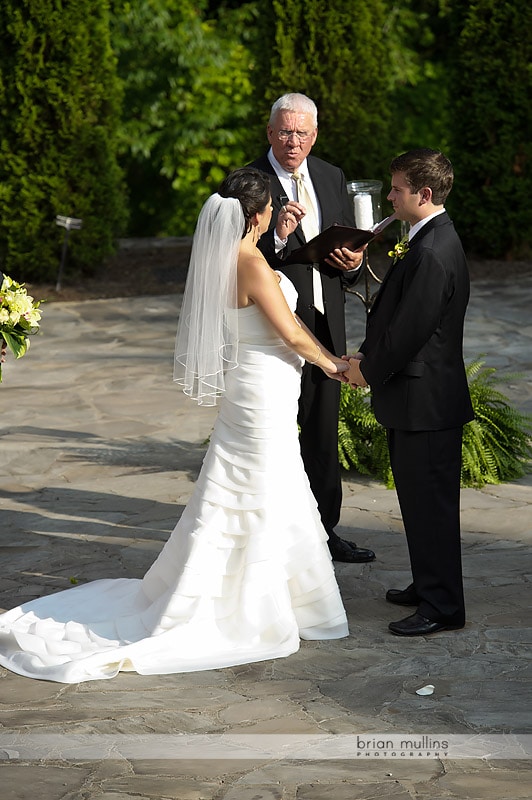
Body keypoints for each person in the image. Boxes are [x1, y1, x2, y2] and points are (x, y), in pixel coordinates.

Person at [0, 167, 350, 683]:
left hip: (247, 387)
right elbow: (293, 335)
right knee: (265, 485)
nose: (276, 211)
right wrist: (336, 364)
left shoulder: (225, 256)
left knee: (249, 486)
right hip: (263, 389)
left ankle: (272, 594)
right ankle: (267, 603)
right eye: (271, 206)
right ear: (256, 215)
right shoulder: (250, 262)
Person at [345, 148, 474, 636]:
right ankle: (427, 584)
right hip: (416, 397)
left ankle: (442, 607)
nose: (389, 195)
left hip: (427, 401)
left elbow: (411, 331)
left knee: (432, 507)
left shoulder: (434, 250)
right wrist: (365, 354)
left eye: (397, 187)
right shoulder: (422, 239)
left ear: (424, 194)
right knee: (418, 502)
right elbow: (395, 318)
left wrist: (367, 370)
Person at [249, 92, 376, 564]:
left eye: (302, 132)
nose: (293, 141)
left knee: (322, 432)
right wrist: (278, 236)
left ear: (315, 134)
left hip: (328, 323)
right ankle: (274, 534)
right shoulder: (248, 183)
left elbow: (344, 250)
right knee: (280, 430)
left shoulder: (330, 176)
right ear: (269, 132)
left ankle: (324, 532)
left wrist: (354, 260)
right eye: (285, 131)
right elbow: (235, 260)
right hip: (274, 329)